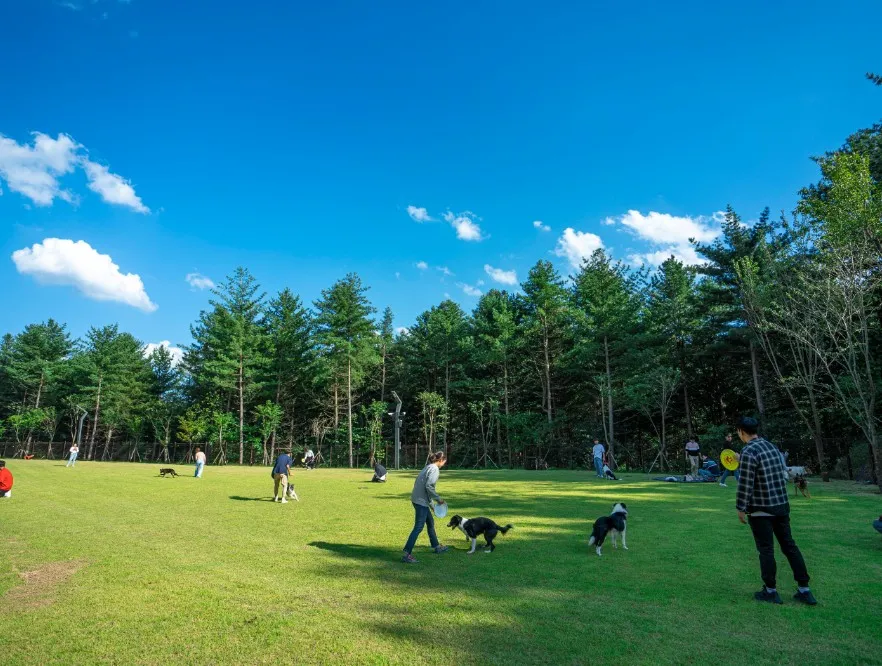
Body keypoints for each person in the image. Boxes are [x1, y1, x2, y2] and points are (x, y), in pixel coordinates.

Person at [735, 416, 816, 606]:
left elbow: (746, 483)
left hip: (761, 509)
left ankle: (770, 591)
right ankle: (805, 589)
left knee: (766, 549)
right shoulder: (771, 447)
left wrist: (740, 507)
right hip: (780, 506)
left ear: (741, 431)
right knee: (789, 546)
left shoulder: (748, 451)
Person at [402, 451, 450, 563]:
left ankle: (437, 547)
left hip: (418, 499)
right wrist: (438, 499)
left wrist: (432, 505)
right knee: (418, 527)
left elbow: (424, 487)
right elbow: (429, 487)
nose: (444, 464)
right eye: (444, 462)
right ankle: (406, 554)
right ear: (441, 460)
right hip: (420, 501)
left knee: (430, 522)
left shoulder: (428, 467)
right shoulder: (434, 469)